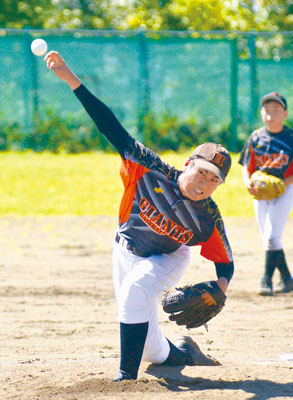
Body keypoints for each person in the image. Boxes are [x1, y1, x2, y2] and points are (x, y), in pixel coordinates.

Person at [44, 51, 234, 382]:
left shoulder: (207, 217)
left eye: (214, 179)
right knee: (151, 350)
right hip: (125, 249)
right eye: (202, 172)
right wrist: (72, 80)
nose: (205, 183)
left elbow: (225, 260)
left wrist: (221, 286)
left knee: (134, 292)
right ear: (189, 164)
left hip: (168, 257)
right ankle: (185, 352)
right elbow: (110, 126)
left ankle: (125, 379)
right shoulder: (148, 167)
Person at [239, 92, 293, 296]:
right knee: (269, 239)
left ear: (285, 113)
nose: (271, 115)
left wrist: (282, 184)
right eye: (267, 110)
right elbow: (247, 167)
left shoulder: (290, 138)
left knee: (272, 237)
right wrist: (247, 184)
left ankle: (266, 280)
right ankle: (287, 278)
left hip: (286, 190)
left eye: (276, 110)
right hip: (259, 193)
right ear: (262, 113)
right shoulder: (256, 137)